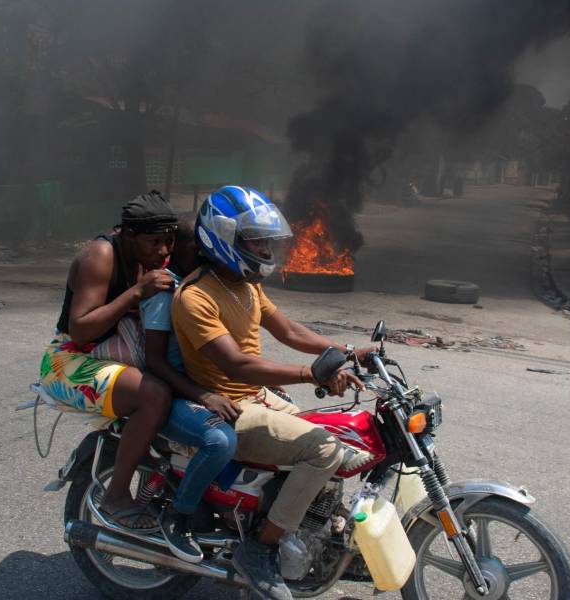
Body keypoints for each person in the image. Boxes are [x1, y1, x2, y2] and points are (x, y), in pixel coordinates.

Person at [171, 186, 372, 600]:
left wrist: (347, 350)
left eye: (266, 240)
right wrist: (311, 374)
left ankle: (311, 529)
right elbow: (237, 366)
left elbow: (290, 331)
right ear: (223, 239)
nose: (264, 249)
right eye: (255, 240)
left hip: (257, 395)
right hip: (229, 405)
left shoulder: (246, 285)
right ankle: (259, 550)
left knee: (339, 439)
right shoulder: (195, 297)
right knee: (323, 450)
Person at [39, 191, 177, 532]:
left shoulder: (145, 256)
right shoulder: (100, 255)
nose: (163, 251)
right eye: (154, 242)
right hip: (69, 361)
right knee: (154, 394)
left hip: (114, 349)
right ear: (128, 235)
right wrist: (136, 292)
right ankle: (116, 496)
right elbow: (80, 329)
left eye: (168, 241)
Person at [138, 214, 238, 563]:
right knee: (220, 441)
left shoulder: (199, 284)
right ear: (177, 248)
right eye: (199, 247)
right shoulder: (167, 294)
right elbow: (155, 361)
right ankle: (179, 517)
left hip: (196, 385)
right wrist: (204, 396)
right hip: (173, 394)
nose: (207, 254)